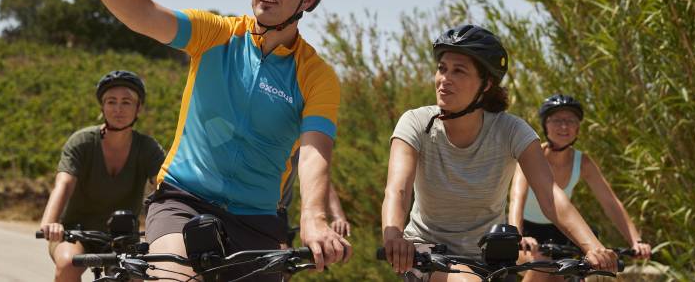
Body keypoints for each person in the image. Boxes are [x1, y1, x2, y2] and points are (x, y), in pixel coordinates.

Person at [45, 0, 350, 280]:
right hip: (183, 200)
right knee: (174, 277)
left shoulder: (316, 75)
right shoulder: (216, 34)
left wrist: (313, 218)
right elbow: (144, 13)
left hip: (257, 219)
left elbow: (314, 152)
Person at [381, 25, 618, 281]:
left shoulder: (511, 130)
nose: (444, 79)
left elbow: (550, 196)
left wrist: (592, 246)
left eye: (458, 70)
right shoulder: (416, 122)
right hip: (427, 253)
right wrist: (394, 238)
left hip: (491, 257)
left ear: (486, 84)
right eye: (442, 68)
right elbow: (398, 190)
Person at [39, 70, 166, 282]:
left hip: (123, 237)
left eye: (126, 102)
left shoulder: (147, 148)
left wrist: (166, 230)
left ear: (139, 108)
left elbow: (163, 190)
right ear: (102, 106)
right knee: (68, 264)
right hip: (76, 233)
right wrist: (50, 222)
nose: (118, 109)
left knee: (136, 275)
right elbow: (64, 184)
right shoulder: (82, 142)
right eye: (111, 101)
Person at [509, 94, 652, 281]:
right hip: (528, 234)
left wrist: (636, 241)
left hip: (562, 233)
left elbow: (610, 203)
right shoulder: (532, 156)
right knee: (543, 265)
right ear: (545, 125)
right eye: (557, 120)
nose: (564, 126)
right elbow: (516, 198)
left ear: (578, 127)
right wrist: (517, 236)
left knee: (584, 271)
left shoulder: (582, 162)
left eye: (570, 120)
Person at [278, 147, 352, 248]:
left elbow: (317, 179)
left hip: (279, 214)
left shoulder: (301, 141)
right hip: (255, 211)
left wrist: (338, 217)